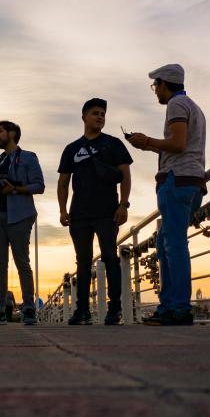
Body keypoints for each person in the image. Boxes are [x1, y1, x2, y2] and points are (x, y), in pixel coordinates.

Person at [127, 64, 206, 326]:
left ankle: (179, 308)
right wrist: (148, 145)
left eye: (155, 86)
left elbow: (178, 144)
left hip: (177, 180)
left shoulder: (176, 106)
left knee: (173, 245)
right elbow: (180, 146)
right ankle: (169, 305)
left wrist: (147, 141)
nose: (154, 91)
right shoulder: (193, 107)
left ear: (164, 83)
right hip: (191, 180)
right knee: (164, 244)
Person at [57, 98, 133, 325]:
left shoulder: (114, 144)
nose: (100, 117)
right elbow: (63, 182)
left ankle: (115, 309)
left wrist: (123, 204)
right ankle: (82, 310)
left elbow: (125, 176)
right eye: (95, 113)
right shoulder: (72, 149)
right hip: (79, 213)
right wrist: (62, 209)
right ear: (84, 117)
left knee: (110, 257)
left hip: (107, 211)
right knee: (82, 261)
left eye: (102, 114)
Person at [0, 121, 45, 325]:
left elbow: (39, 186)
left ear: (12, 134)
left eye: (0, 132)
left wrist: (15, 189)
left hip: (19, 216)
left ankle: (28, 307)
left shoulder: (28, 157)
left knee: (22, 262)